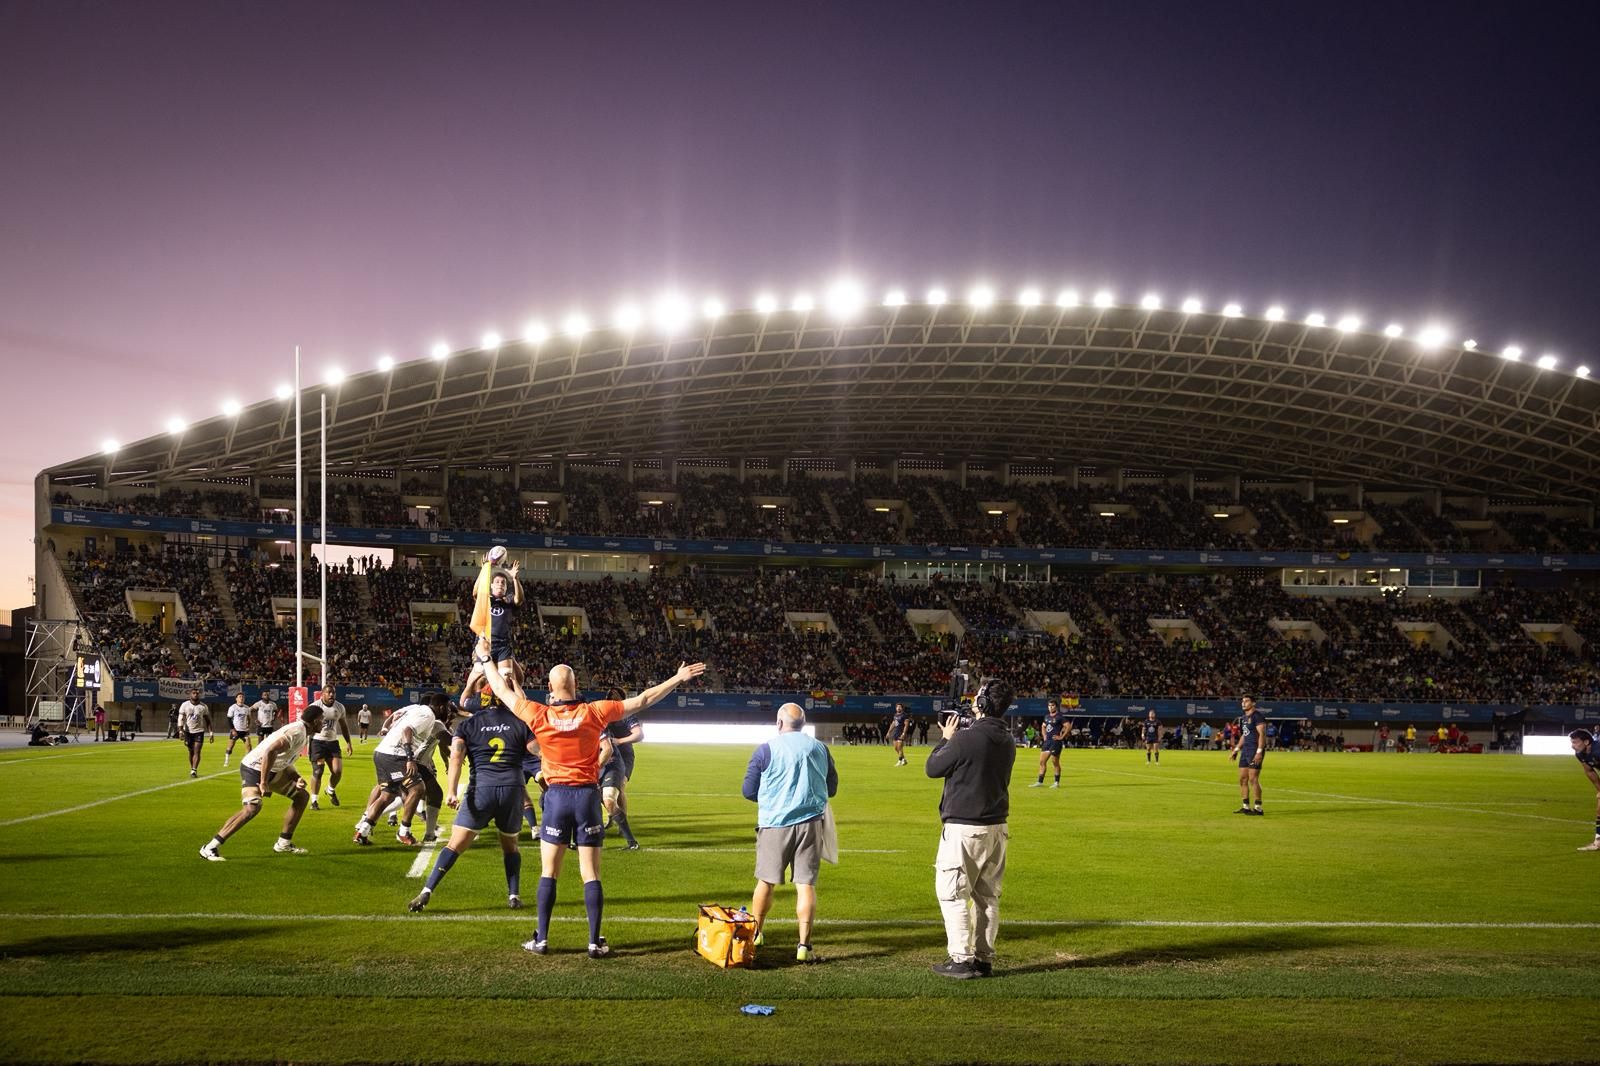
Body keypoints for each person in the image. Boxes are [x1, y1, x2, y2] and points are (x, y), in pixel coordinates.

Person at [476, 658, 705, 958]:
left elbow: (500, 690)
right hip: (586, 798)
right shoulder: (595, 711)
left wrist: (485, 659)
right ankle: (595, 942)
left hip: (556, 798)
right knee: (591, 874)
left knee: (549, 872)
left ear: (549, 688)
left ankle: (542, 939)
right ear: (576, 686)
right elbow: (644, 699)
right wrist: (677, 677)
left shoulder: (539, 714)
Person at [409, 664, 534, 912]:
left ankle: (427, 891)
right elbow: (537, 750)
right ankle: (513, 895)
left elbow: (455, 758)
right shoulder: (520, 722)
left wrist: (453, 790)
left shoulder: (467, 725)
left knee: (455, 845)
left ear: (483, 700)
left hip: (481, 789)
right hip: (512, 789)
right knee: (510, 846)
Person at [925, 678, 1016, 979]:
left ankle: (962, 959)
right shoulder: (1008, 739)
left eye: (978, 697)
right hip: (996, 827)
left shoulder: (965, 739)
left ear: (984, 703)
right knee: (986, 897)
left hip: (965, 827)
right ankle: (983, 959)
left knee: (952, 894)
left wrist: (947, 738)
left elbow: (933, 768)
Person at [742, 702, 837, 963]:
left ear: (779, 723)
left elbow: (748, 790)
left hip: (774, 823)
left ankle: (757, 933)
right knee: (806, 885)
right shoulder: (820, 748)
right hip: (810, 823)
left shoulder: (766, 749)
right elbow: (832, 787)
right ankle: (804, 946)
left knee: (766, 881)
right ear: (802, 725)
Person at [199, 702, 324, 861]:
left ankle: (283, 843)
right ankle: (210, 847)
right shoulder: (297, 731)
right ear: (314, 721)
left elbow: (283, 760)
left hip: (272, 770)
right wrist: (264, 782)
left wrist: (296, 777)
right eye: (322, 719)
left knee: (301, 797)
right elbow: (270, 751)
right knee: (252, 807)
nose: (324, 723)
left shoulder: (303, 733)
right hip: (254, 768)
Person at [352, 696, 447, 845]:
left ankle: (362, 831)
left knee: (387, 795)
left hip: (381, 752)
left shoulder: (413, 709)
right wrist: (409, 758)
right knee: (417, 788)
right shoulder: (428, 714)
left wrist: (386, 728)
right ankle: (404, 832)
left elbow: (395, 716)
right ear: (441, 706)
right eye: (447, 707)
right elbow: (407, 730)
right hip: (395, 754)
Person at [599, 686, 643, 849]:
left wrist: (619, 741)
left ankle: (622, 823)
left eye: (615, 695)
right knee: (603, 791)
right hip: (606, 754)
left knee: (620, 787)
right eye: (609, 695)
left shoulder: (627, 714)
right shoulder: (604, 714)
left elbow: (639, 734)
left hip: (623, 754)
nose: (611, 696)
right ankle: (612, 815)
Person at [306, 687, 352, 810]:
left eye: (333, 693)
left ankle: (330, 790)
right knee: (318, 771)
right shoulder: (315, 707)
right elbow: (306, 724)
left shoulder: (340, 707)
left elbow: (343, 725)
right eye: (329, 692)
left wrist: (348, 742)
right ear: (322, 694)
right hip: (317, 742)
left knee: (337, 771)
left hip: (332, 743)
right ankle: (314, 800)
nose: (331, 695)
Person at [474, 562, 524, 670]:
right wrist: (483, 572)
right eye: (497, 582)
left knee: (506, 677)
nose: (500, 584)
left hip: (503, 645)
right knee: (479, 679)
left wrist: (515, 579)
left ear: (506, 587)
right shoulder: (486, 599)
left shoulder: (508, 600)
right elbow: (475, 593)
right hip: (485, 643)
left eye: (503, 583)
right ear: (491, 585)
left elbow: (519, 599)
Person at [1230, 696, 1267, 816]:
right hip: (1245, 750)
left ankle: (1258, 808)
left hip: (1254, 750)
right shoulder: (1244, 717)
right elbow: (1244, 735)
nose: (1243, 703)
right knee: (1243, 779)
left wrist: (1259, 751)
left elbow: (1262, 734)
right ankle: (1245, 806)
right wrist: (1236, 749)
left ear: (1253, 703)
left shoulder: (1257, 716)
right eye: (1242, 701)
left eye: (1246, 701)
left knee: (1253, 779)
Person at [1570, 729, 1600, 851]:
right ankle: (1598, 843)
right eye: (1572, 742)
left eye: (1575, 742)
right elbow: (1589, 771)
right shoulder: (1580, 754)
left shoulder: (1598, 751)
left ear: (1586, 742)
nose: (1572, 746)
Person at [1030, 699, 1066, 788]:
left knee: (1055, 762)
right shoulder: (1046, 717)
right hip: (1047, 742)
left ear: (1056, 706)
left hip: (1055, 742)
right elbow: (1043, 726)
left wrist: (1061, 737)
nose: (1050, 707)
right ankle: (1040, 782)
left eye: (1052, 705)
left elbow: (1068, 726)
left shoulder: (1060, 717)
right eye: (1049, 706)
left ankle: (1056, 783)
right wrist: (1044, 736)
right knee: (1042, 762)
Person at [177, 689, 212, 778]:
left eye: (197, 693)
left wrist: (211, 733)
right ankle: (192, 767)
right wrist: (180, 731)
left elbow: (208, 720)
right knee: (191, 751)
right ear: (190, 695)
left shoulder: (203, 706)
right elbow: (181, 718)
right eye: (194, 693)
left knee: (197, 750)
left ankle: (194, 770)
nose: (196, 694)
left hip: (199, 731)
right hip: (188, 731)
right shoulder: (184, 705)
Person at [222, 693, 254, 767]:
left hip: (244, 731)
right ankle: (226, 760)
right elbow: (229, 719)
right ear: (236, 698)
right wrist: (232, 730)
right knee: (230, 746)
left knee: (249, 746)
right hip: (235, 730)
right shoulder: (232, 707)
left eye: (243, 697)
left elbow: (249, 719)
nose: (241, 698)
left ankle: (246, 762)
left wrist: (248, 727)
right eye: (240, 697)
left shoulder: (247, 708)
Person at [886, 702, 913, 766]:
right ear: (896, 708)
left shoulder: (904, 715)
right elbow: (893, 724)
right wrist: (889, 732)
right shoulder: (895, 715)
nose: (898, 708)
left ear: (902, 708)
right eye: (897, 707)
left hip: (901, 732)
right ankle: (904, 759)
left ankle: (899, 761)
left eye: (899, 707)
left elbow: (906, 725)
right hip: (896, 732)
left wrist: (903, 734)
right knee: (896, 748)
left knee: (900, 747)